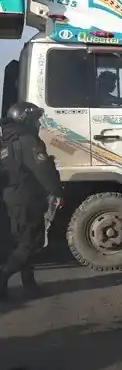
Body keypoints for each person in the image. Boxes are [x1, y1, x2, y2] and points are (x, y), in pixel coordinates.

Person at [0, 103, 63, 299]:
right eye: (34, 119)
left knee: (22, 242)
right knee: (29, 244)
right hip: (27, 198)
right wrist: (57, 192)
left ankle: (30, 285)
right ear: (25, 120)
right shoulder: (28, 141)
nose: (37, 123)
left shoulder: (7, 141)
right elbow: (43, 170)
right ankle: (2, 278)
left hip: (12, 198)